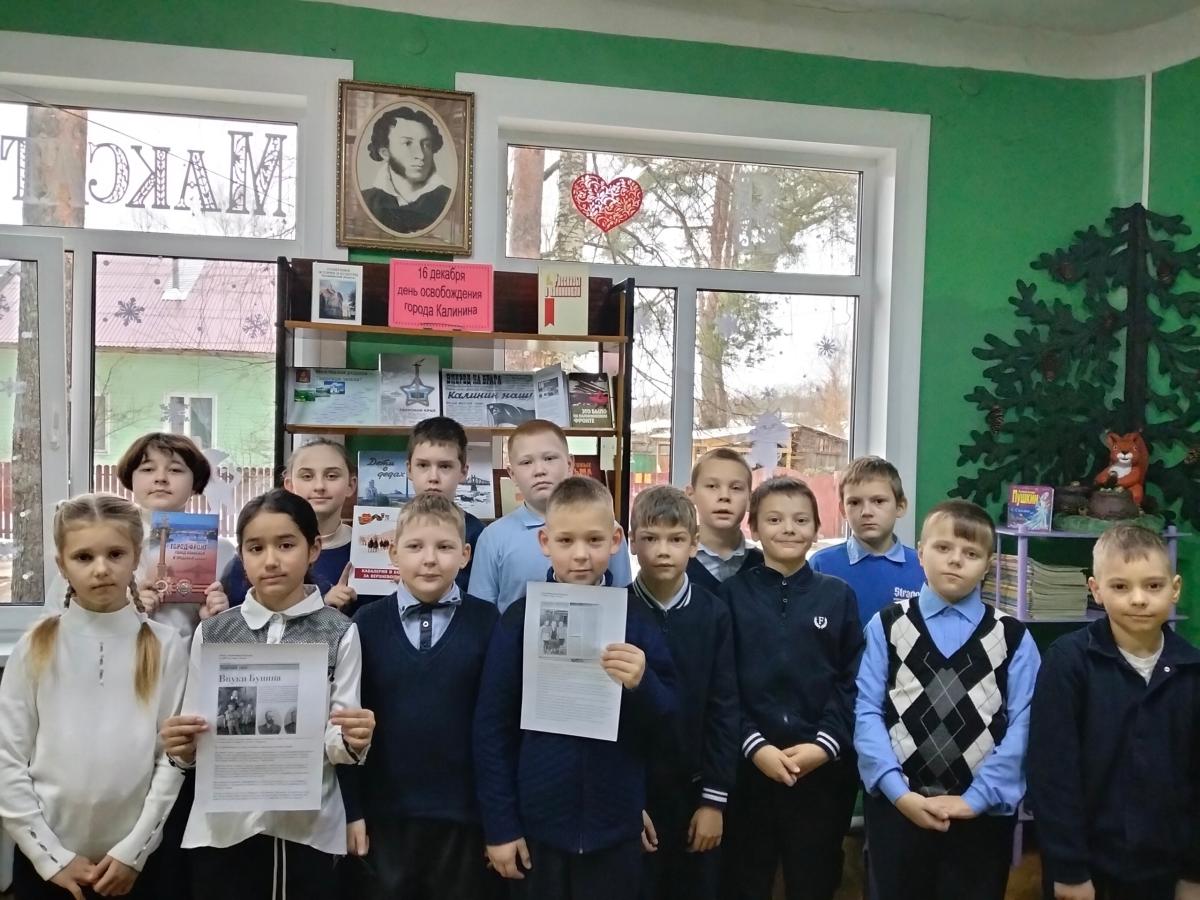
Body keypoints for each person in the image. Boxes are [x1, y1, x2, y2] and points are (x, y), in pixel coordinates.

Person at [161, 488, 376, 900]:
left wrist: (354, 739)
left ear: (314, 549)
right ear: (241, 555)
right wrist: (180, 746)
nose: (271, 560)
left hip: (307, 828)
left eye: (286, 545)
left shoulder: (339, 631)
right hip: (223, 828)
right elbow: (194, 737)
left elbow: (339, 741)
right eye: (256, 548)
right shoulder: (214, 631)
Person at [474, 476, 677, 900]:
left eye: (594, 540)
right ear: (545, 542)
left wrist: (644, 683)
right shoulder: (519, 620)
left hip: (614, 829)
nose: (581, 554)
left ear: (616, 540)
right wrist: (500, 826)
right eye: (566, 540)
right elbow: (492, 729)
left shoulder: (636, 619)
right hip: (538, 829)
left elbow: (668, 724)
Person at [0, 493, 187, 900]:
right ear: (62, 565)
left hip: (137, 865)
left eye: (115, 554)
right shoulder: (35, 646)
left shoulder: (166, 645)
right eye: (84, 557)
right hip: (47, 865)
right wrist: (50, 856)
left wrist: (134, 851)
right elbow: (7, 758)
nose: (101, 569)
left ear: (136, 557)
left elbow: (171, 760)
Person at [855, 499, 1040, 900]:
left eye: (971, 553)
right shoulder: (887, 625)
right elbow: (866, 711)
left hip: (981, 816)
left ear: (988, 564)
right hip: (898, 809)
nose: (955, 560)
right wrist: (897, 792)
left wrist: (977, 799)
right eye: (943, 548)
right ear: (920, 552)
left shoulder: (1012, 637)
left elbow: (1025, 723)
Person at [341, 492, 502, 900]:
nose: (430, 559)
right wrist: (352, 810)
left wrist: (498, 821)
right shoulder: (365, 624)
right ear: (393, 552)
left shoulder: (487, 622)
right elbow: (347, 725)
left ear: (465, 555)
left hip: (464, 817)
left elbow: (498, 727)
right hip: (385, 816)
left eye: (444, 547)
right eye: (415, 547)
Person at [1029, 525, 1200, 900]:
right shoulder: (1068, 662)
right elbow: (1052, 774)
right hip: (1088, 868)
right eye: (1120, 586)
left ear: (1175, 589)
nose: (1138, 599)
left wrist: (1194, 873)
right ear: (1096, 590)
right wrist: (1069, 869)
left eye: (1153, 586)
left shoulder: (1192, 670)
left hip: (1167, 870)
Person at [720, 477, 863, 900]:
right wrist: (755, 746)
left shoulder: (838, 596)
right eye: (775, 519)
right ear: (753, 528)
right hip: (749, 768)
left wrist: (824, 745)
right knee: (745, 878)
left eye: (801, 520)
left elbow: (853, 679)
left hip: (822, 770)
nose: (788, 528)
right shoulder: (731, 596)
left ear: (817, 528)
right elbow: (722, 683)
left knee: (814, 878)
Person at [629, 486, 738, 900]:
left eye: (676, 539)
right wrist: (624, 801)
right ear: (632, 542)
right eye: (650, 538)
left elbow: (724, 708)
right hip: (633, 792)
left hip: (696, 791)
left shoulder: (714, 613)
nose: (663, 551)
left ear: (694, 544)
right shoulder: (616, 610)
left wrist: (714, 801)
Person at [469, 419, 632, 612]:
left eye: (549, 458)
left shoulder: (606, 530)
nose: (539, 471)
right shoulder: (493, 537)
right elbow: (480, 615)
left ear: (570, 464)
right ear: (512, 473)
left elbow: (623, 603)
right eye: (526, 462)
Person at [222, 439, 379, 615]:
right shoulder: (252, 557)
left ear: (351, 485)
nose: (319, 486)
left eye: (331, 476)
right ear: (289, 485)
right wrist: (215, 610)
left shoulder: (374, 553)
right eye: (307, 476)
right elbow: (242, 620)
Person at [809, 455, 925, 624]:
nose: (866, 512)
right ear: (843, 510)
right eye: (855, 503)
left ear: (900, 506)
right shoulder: (821, 565)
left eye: (878, 501)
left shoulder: (923, 566)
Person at [406, 415, 486, 592]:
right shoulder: (391, 528)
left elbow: (479, 598)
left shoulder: (479, 536)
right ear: (409, 469)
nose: (433, 477)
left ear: (463, 472)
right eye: (423, 465)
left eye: (445, 466)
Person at [360, 105, 452, 234]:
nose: (420, 155)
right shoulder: (365, 201)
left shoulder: (450, 201)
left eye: (426, 145)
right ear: (385, 153)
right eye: (407, 143)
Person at [684, 448, 763, 592]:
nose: (724, 496)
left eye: (736, 488)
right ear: (691, 494)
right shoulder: (674, 563)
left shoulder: (765, 566)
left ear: (750, 500)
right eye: (712, 486)